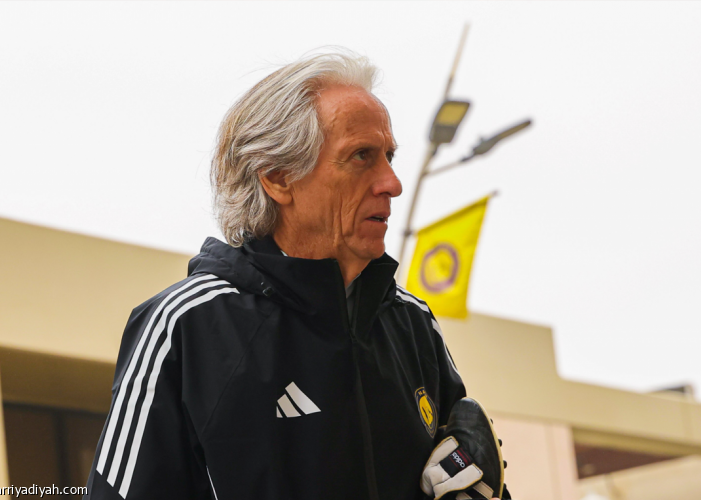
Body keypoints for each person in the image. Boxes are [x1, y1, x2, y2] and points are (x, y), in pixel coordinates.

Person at [84, 51, 470, 500]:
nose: (392, 183)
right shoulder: (186, 326)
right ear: (278, 177)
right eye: (362, 156)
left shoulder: (414, 323)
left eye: (389, 156)